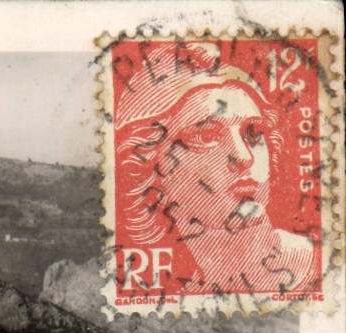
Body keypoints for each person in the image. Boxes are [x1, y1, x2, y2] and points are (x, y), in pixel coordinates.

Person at [114, 41, 319, 297]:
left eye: (253, 133)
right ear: (150, 165)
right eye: (207, 135)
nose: (244, 157)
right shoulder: (175, 287)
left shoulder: (317, 264)